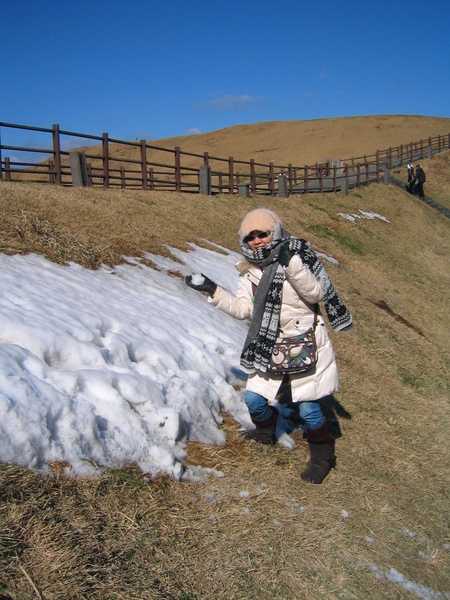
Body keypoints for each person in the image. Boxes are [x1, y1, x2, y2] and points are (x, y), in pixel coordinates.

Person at [185, 208, 353, 484]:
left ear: (273, 232)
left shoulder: (296, 255)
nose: (257, 240)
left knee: (309, 409)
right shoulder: (248, 271)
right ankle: (266, 431)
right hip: (269, 343)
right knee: (253, 400)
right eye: (251, 237)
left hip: (305, 341)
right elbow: (243, 309)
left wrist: (292, 265)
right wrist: (212, 289)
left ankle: (323, 457)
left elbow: (316, 293)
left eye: (262, 234)